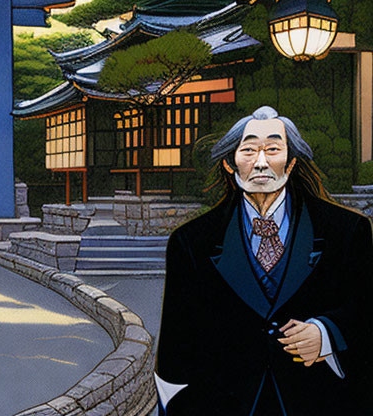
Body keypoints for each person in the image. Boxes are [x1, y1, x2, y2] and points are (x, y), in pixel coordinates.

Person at [155, 106, 373, 415]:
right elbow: (175, 351)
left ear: (292, 161)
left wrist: (326, 335)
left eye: (273, 149)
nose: (260, 163)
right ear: (230, 163)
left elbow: (365, 310)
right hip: (225, 403)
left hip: (320, 399)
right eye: (248, 151)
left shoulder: (346, 231)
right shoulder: (191, 242)